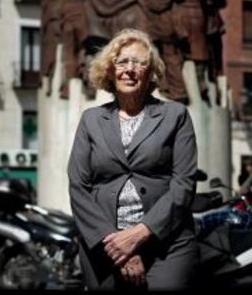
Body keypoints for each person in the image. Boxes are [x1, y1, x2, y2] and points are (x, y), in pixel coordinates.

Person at [67, 28, 199, 290]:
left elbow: (183, 184)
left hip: (166, 243)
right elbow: (78, 187)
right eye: (122, 61)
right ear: (110, 70)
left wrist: (140, 233)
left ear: (150, 72)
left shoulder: (175, 115)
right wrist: (116, 245)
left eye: (139, 62)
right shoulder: (91, 120)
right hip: (105, 246)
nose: (130, 69)